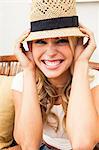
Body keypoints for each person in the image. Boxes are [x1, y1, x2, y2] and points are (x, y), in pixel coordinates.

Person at [11, 0, 99, 149]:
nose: (51, 53)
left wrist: (81, 64)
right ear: (30, 47)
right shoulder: (22, 81)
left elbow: (82, 145)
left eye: (62, 41)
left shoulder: (94, 81)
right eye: (41, 42)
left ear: (76, 44)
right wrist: (28, 70)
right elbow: (29, 145)